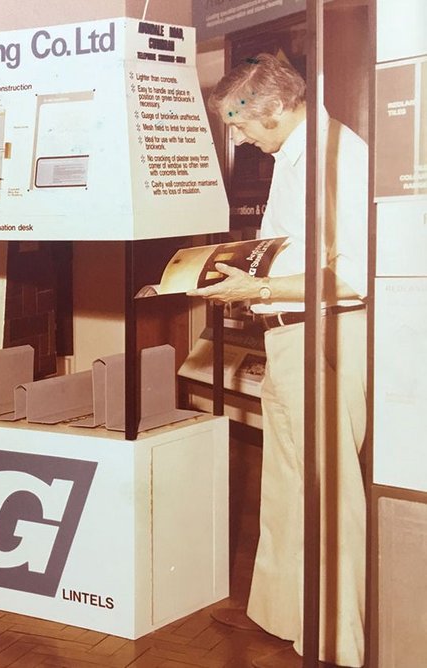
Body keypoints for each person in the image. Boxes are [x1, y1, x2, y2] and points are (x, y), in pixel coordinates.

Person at [192, 54, 368, 668]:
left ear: (271, 109)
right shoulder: (295, 157)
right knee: (292, 481)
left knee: (327, 488)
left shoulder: (334, 157)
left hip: (325, 335)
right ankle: (285, 613)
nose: (235, 136)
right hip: (292, 336)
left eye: (237, 124)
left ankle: (338, 640)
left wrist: (259, 291)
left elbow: (353, 275)